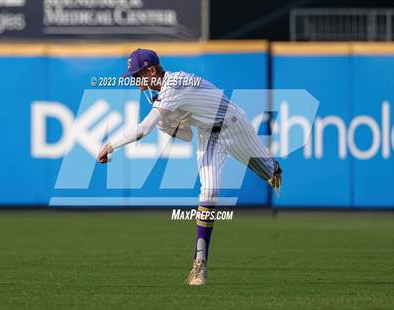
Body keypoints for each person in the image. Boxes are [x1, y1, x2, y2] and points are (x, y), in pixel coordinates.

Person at [97, 48, 282, 286]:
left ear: (152, 71)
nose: (135, 80)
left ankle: (273, 167)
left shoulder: (173, 86)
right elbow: (185, 135)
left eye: (137, 75)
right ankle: (199, 265)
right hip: (209, 134)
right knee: (209, 193)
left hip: (234, 124)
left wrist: (109, 145)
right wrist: (168, 122)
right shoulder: (166, 93)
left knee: (267, 171)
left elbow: (143, 130)